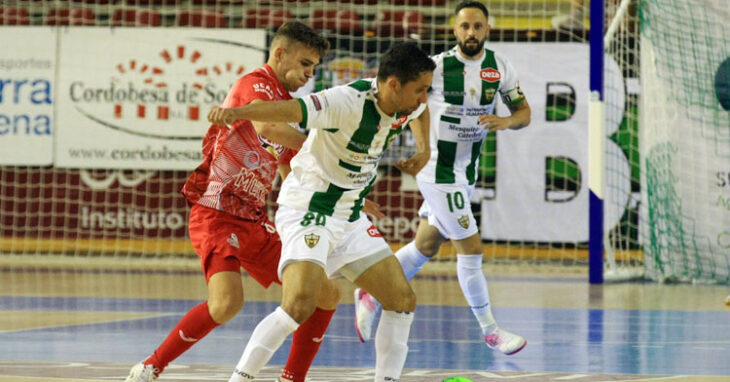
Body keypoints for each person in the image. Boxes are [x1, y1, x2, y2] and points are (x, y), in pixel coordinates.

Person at [124, 21, 341, 382]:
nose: (309, 74)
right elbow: (267, 127)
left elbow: (290, 168)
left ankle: (293, 378)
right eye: (305, 64)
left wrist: (309, 211)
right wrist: (322, 149)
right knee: (226, 304)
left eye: (314, 68)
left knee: (326, 293)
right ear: (279, 54)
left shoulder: (287, 105)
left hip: (254, 219)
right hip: (216, 213)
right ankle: (151, 366)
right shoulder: (255, 84)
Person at [208, 41, 436, 382]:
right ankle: (239, 379)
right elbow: (289, 110)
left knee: (402, 299)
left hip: (350, 214)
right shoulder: (345, 101)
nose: (424, 97)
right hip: (309, 207)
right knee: (299, 304)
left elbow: (420, 113)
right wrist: (239, 112)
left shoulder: (407, 103)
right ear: (393, 84)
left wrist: (423, 148)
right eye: (420, 90)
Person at [353, 1, 532, 357]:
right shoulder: (436, 68)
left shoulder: (500, 67)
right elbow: (403, 102)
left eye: (477, 26)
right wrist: (414, 146)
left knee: (426, 245)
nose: (471, 32)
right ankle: (490, 331)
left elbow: (524, 114)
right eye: (464, 26)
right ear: (455, 30)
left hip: (466, 171)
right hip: (438, 172)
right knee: (472, 248)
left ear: (487, 29)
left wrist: (505, 121)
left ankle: (371, 292)